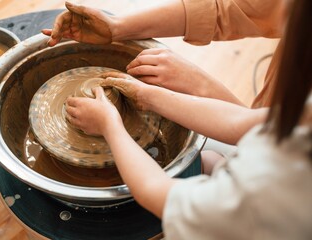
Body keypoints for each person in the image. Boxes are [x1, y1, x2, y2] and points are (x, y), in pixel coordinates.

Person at [60, 0, 311, 238]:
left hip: (256, 224)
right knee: (210, 159)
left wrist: (110, 126)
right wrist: (147, 95)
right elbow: (247, 122)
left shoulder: (278, 188)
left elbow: (158, 194)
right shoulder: (306, 111)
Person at [42, 0, 289, 171]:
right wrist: (117, 27)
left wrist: (200, 84)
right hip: (264, 142)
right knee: (210, 160)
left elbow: (270, 139)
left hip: (282, 192)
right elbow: (234, 8)